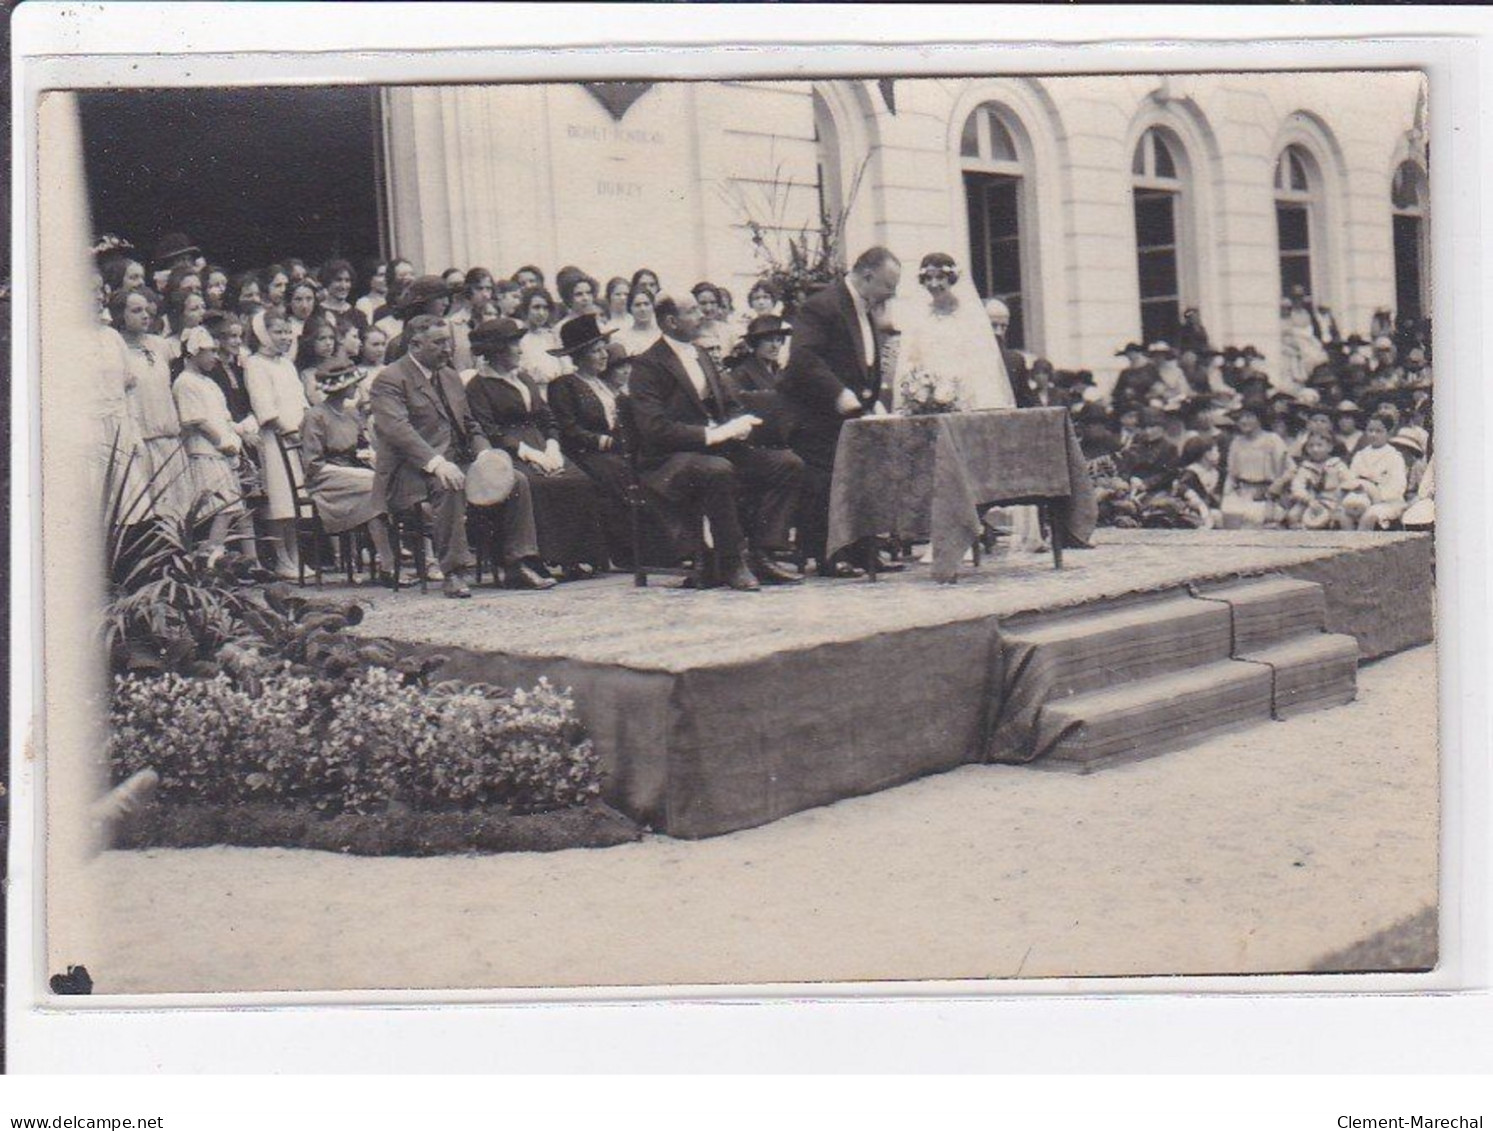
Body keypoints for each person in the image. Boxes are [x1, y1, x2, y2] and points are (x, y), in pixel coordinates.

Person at [629, 293, 805, 590]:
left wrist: (738, 424)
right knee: (718, 470)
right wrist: (711, 434)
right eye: (693, 310)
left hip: (715, 449)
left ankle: (763, 551)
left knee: (788, 464)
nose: (702, 315)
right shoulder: (647, 365)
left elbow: (728, 401)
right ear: (671, 321)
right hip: (669, 459)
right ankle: (731, 560)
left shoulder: (700, 354)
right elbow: (654, 429)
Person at [369, 315, 551, 596]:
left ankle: (518, 563)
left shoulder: (450, 376)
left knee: (515, 480)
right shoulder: (390, 379)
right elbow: (398, 431)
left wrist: (484, 455)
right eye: (439, 343)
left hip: (457, 460)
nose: (448, 349)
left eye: (449, 343)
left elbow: (470, 423)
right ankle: (453, 572)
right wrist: (437, 463)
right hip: (410, 472)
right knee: (449, 483)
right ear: (415, 344)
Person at [778, 247, 902, 577]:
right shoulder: (821, 305)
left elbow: (865, 362)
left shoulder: (868, 309)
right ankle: (827, 554)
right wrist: (839, 393)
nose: (892, 293)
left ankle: (864, 551)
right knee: (825, 482)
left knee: (863, 477)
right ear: (867, 276)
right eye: (889, 284)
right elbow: (804, 358)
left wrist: (871, 398)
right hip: (815, 416)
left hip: (850, 416)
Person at [465, 316, 609, 579]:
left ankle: (573, 557)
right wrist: (528, 453)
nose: (520, 350)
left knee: (579, 480)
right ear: (497, 350)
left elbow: (546, 417)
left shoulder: (525, 378)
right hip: (510, 451)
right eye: (514, 345)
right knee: (538, 485)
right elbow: (490, 430)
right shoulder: (479, 386)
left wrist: (552, 446)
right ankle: (536, 559)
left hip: (541, 443)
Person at [299, 357, 397, 582]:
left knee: (383, 483)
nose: (356, 388)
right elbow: (313, 463)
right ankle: (388, 564)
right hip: (325, 480)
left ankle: (387, 564)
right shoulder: (316, 416)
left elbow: (362, 447)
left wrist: (372, 457)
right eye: (353, 383)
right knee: (375, 485)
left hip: (355, 476)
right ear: (341, 386)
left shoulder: (352, 413)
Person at [548, 326, 634, 567]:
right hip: (584, 452)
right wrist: (600, 440)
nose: (604, 355)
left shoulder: (604, 384)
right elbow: (568, 427)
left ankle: (648, 547)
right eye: (596, 351)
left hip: (616, 449)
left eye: (603, 349)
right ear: (579, 357)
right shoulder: (564, 385)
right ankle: (620, 551)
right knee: (616, 474)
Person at [110, 288, 195, 522]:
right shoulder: (117, 350)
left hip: (168, 436)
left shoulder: (161, 346)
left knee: (179, 512)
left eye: (146, 310)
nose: (145, 315)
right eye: (136, 311)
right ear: (120, 315)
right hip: (142, 440)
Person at [894, 253, 1017, 413]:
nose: (933, 283)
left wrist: (957, 389)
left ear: (951, 278)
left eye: (939, 277)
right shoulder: (919, 316)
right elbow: (911, 359)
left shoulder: (970, 314)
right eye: (928, 278)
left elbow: (983, 360)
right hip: (928, 396)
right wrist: (919, 389)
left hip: (966, 394)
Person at [244, 308, 310, 579]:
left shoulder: (287, 364)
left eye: (287, 331)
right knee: (281, 502)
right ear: (262, 334)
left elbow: (302, 401)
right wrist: (289, 432)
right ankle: (282, 558)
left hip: (298, 440)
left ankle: (296, 556)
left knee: (296, 505)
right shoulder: (255, 364)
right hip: (275, 441)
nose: (286, 337)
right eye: (278, 332)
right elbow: (265, 409)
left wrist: (306, 431)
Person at [173, 326, 251, 551]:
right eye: (211, 351)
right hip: (205, 454)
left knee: (237, 509)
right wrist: (222, 443)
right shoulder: (185, 382)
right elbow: (197, 421)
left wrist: (238, 434)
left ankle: (248, 562)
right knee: (223, 510)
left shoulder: (208, 382)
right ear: (194, 351)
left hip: (222, 455)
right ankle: (211, 563)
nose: (216, 357)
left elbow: (222, 417)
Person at [1220, 404, 1293, 529]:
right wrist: (1226, 494)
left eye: (1248, 417)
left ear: (1259, 419)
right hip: (1242, 494)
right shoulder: (1236, 442)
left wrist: (1279, 483)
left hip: (1267, 496)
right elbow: (1231, 474)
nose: (1243, 421)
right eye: (1240, 418)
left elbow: (1291, 469)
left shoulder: (1272, 440)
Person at [1340, 415, 1409, 531]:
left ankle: (1362, 546)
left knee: (1370, 515)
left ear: (1389, 433)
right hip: (1360, 499)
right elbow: (1351, 480)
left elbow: (1398, 487)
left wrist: (1373, 495)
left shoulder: (1394, 456)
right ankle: (1348, 545)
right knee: (1343, 515)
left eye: (1379, 431)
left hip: (1388, 501)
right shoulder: (1360, 455)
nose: (1373, 435)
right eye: (1370, 430)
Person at [1285, 431, 1351, 530]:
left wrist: (1340, 501)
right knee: (1293, 515)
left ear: (1329, 447)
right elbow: (1297, 486)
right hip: (1311, 501)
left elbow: (1349, 483)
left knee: (1342, 518)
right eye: (1311, 446)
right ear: (1307, 448)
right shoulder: (1305, 467)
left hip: (1334, 501)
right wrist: (1308, 500)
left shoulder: (1337, 465)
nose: (1315, 449)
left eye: (1320, 445)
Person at [514, 286, 569, 390]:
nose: (541, 313)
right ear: (526, 308)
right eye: (536, 307)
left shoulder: (552, 337)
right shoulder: (519, 338)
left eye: (545, 308)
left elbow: (564, 368)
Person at [984, 297, 1031, 407]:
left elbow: (1027, 402)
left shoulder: (1015, 361)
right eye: (993, 325)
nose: (999, 332)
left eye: (1003, 326)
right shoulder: (965, 358)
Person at [296, 318, 341, 406]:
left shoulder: (340, 367)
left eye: (331, 338)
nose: (328, 343)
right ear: (310, 342)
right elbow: (319, 402)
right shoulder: (308, 375)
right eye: (322, 338)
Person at [614, 281, 663, 359]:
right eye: (637, 305)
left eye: (646, 304)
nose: (642, 309)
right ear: (630, 308)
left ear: (653, 306)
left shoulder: (662, 333)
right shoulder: (621, 338)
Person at [319, 258, 368, 333]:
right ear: (328, 281)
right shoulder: (317, 313)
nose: (343, 286)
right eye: (338, 280)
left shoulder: (359, 316)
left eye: (347, 280)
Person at [355, 260, 389, 325]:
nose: (386, 278)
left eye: (388, 275)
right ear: (370, 279)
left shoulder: (393, 301)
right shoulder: (364, 303)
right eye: (381, 275)